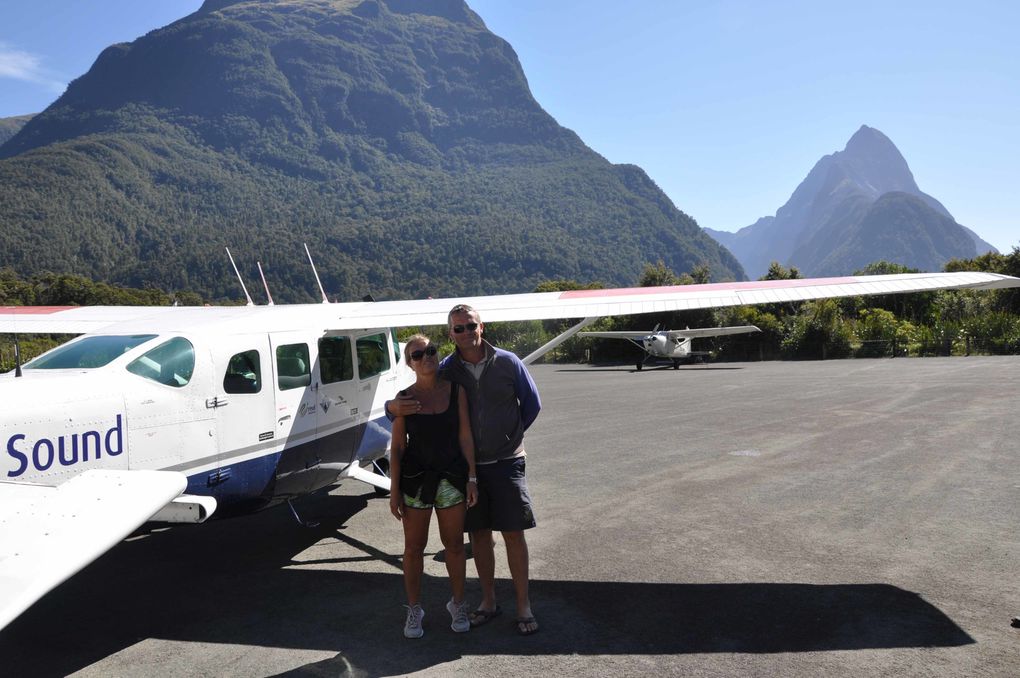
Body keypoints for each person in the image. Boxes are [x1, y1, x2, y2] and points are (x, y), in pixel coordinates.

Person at [388, 305, 542, 635]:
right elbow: (413, 404)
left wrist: (509, 436)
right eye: (458, 328)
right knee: (479, 536)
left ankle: (523, 607)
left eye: (470, 325)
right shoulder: (447, 369)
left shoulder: (508, 362)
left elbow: (532, 404)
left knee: (513, 533)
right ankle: (488, 602)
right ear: (451, 334)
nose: (466, 332)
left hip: (505, 462)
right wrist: (390, 407)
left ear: (481, 326)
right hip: (461, 472)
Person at [389, 335, 478, 639]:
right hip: (416, 482)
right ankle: (414, 609)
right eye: (417, 355)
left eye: (430, 351)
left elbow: (466, 437)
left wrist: (472, 477)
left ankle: (458, 603)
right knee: (414, 548)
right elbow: (398, 448)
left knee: (454, 545)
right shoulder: (404, 399)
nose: (425, 357)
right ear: (409, 363)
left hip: (451, 477)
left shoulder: (456, 391)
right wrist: (393, 490)